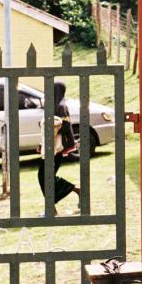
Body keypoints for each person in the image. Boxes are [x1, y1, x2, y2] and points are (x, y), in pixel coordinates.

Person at [38, 82, 80, 212]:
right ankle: (53, 207)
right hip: (50, 146)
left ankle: (51, 208)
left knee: (45, 176)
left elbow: (66, 127)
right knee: (45, 176)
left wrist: (53, 128)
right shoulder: (53, 106)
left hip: (56, 148)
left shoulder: (60, 106)